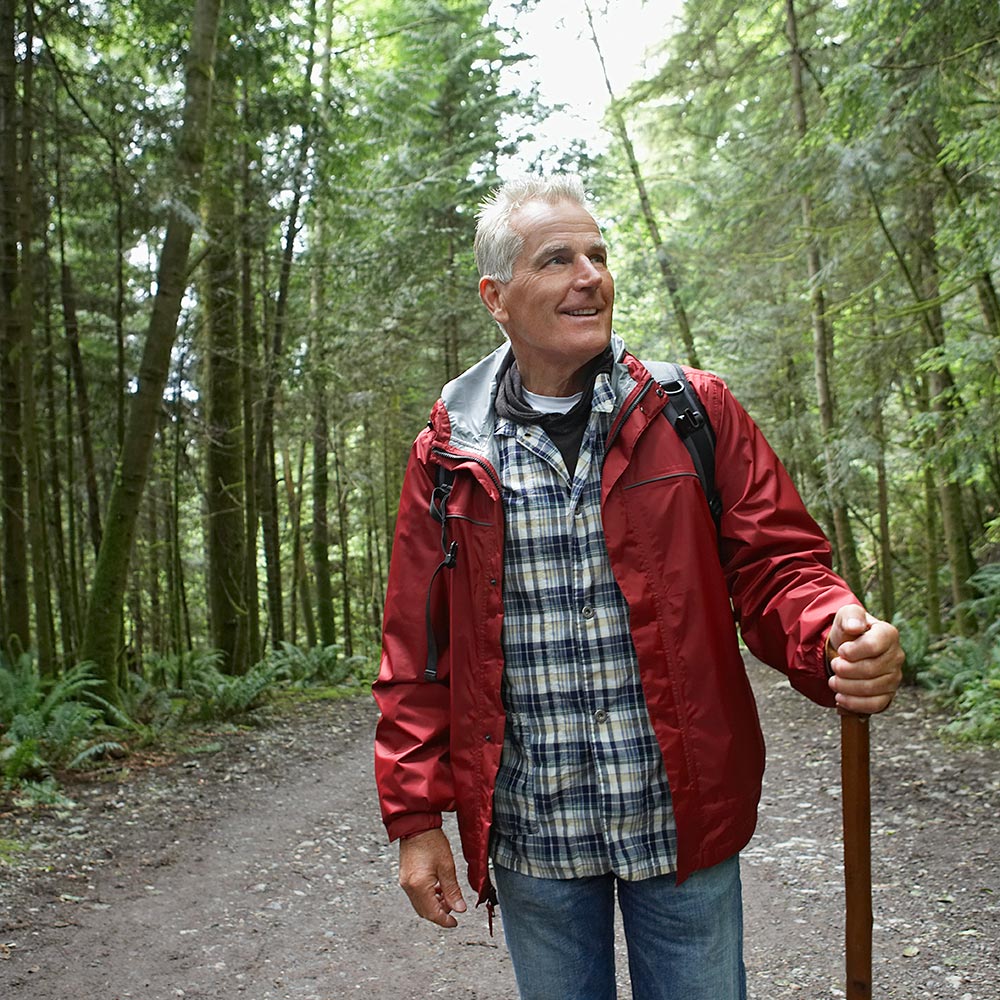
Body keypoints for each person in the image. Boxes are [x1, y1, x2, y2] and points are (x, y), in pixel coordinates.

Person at [373, 175, 903, 1000]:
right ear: (496, 297)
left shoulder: (693, 412)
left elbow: (778, 569)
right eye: (558, 259)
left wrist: (831, 625)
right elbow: (417, 650)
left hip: (678, 819)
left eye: (598, 255)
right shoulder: (447, 458)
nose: (590, 275)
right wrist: (415, 820)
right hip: (534, 834)